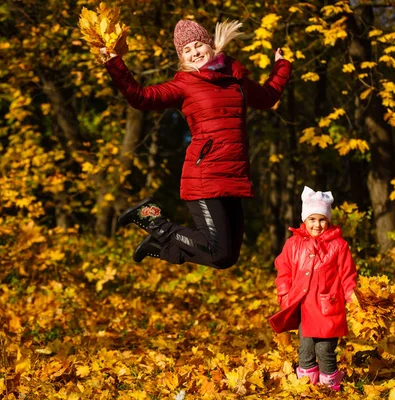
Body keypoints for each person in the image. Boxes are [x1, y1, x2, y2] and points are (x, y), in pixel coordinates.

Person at [99, 19, 292, 268]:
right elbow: (141, 97)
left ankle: (161, 244)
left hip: (234, 176)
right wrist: (114, 63)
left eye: (198, 45)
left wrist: (282, 66)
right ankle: (152, 220)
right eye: (186, 50)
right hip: (205, 175)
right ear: (182, 58)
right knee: (219, 251)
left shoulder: (237, 81)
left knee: (227, 258)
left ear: (211, 46)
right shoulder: (184, 84)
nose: (194, 53)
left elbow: (267, 98)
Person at [269, 186, 357, 391]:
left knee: (325, 349)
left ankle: (330, 387)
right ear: (304, 220)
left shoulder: (338, 245)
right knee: (306, 349)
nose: (317, 225)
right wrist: (284, 293)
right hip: (304, 307)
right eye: (312, 219)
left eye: (322, 219)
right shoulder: (293, 244)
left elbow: (347, 274)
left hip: (329, 307)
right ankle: (307, 385)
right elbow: (284, 270)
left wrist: (352, 297)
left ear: (328, 220)